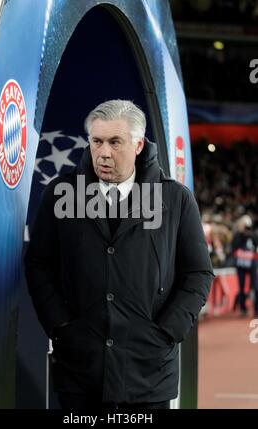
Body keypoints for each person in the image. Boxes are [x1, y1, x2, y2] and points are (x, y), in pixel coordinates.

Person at [24, 100, 214, 410]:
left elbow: (198, 273)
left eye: (115, 142)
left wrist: (167, 332)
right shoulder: (60, 193)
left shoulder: (176, 199)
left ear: (138, 145)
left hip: (149, 375)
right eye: (97, 141)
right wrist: (61, 326)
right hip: (80, 373)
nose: (104, 152)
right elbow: (39, 264)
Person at [231, 214, 258, 317]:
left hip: (252, 264)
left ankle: (256, 309)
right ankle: (243, 308)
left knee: (255, 286)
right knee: (241, 287)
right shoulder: (237, 235)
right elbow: (234, 248)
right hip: (241, 265)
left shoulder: (253, 235)